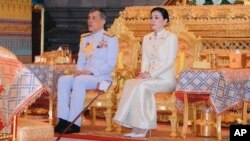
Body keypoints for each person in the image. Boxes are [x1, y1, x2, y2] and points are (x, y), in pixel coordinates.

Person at [113, 7, 178, 138]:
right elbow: (145, 60)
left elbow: (169, 62)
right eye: (151, 17)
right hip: (149, 77)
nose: (152, 20)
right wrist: (143, 73)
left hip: (166, 79)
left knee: (142, 86)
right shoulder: (146, 38)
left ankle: (144, 127)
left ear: (165, 21)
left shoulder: (171, 38)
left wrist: (150, 75)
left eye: (156, 17)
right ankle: (135, 125)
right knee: (131, 83)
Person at [54, 8, 119, 134]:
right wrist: (79, 70)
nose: (90, 21)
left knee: (79, 81)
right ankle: (62, 120)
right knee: (63, 80)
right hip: (84, 75)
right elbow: (81, 60)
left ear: (103, 21)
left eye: (94, 18)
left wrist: (90, 72)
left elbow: (110, 64)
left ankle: (74, 123)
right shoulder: (85, 38)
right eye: (89, 18)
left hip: (102, 77)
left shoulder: (111, 38)